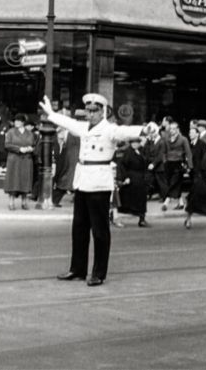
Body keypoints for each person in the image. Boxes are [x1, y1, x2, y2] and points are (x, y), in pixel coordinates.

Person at [40, 93, 143, 287]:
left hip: (99, 183)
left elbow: (125, 131)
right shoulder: (84, 127)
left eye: (94, 111)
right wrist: (51, 114)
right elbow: (69, 122)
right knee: (78, 228)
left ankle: (98, 273)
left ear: (102, 112)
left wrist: (145, 130)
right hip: (83, 181)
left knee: (99, 230)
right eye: (88, 110)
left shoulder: (109, 129)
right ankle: (77, 269)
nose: (90, 114)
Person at [3, 114, 36, 211]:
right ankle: (11, 202)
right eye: (15, 121)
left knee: (25, 181)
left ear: (23, 122)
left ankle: (24, 202)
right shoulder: (11, 132)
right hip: (14, 159)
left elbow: (33, 144)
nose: (16, 122)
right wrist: (19, 149)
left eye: (19, 121)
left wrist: (30, 148)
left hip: (26, 160)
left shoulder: (29, 133)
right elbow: (7, 145)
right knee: (13, 181)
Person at [115, 137, 149, 227]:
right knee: (128, 200)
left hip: (140, 179)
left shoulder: (140, 151)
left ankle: (142, 218)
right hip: (132, 179)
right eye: (134, 143)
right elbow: (122, 165)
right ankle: (115, 217)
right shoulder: (128, 152)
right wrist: (125, 177)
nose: (136, 144)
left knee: (141, 199)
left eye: (137, 142)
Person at [52, 109, 83, 207]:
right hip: (76, 156)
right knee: (70, 179)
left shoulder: (70, 127)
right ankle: (54, 200)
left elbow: (62, 140)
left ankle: (56, 200)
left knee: (69, 178)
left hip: (70, 155)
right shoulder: (82, 128)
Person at [160, 121, 193, 212]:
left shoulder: (183, 139)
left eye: (174, 129)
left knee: (174, 183)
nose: (172, 131)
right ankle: (181, 202)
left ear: (178, 129)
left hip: (178, 163)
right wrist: (164, 161)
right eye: (171, 129)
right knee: (173, 183)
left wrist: (190, 166)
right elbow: (163, 152)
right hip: (168, 164)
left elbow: (188, 153)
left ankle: (166, 202)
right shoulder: (166, 139)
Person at [144, 122, 167, 201]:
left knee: (161, 182)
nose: (151, 135)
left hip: (159, 165)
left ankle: (165, 197)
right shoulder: (151, 142)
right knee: (148, 180)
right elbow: (146, 151)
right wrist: (147, 141)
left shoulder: (162, 142)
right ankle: (148, 194)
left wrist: (154, 163)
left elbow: (160, 155)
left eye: (152, 133)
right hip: (151, 164)